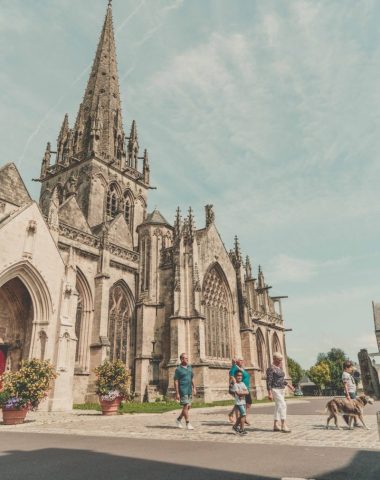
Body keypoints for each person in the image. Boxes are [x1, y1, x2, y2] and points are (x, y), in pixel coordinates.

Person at [266, 352, 295, 433]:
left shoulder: (279, 368)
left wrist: (289, 386)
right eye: (279, 360)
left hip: (281, 389)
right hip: (275, 389)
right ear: (274, 359)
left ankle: (275, 425)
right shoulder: (271, 369)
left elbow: (281, 380)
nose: (281, 361)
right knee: (283, 405)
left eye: (281, 360)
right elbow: (269, 381)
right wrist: (269, 393)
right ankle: (283, 425)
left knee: (278, 407)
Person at [174, 352, 196, 430]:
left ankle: (178, 419)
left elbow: (192, 377)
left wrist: (194, 387)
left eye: (187, 358)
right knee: (185, 405)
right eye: (185, 358)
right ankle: (188, 423)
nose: (187, 359)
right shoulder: (178, 369)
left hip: (189, 389)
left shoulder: (190, 367)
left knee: (188, 407)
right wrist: (177, 393)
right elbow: (176, 381)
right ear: (181, 359)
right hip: (182, 390)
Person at [229, 357, 252, 425]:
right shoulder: (235, 368)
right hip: (240, 388)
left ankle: (243, 417)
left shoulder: (242, 368)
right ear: (237, 361)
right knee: (240, 403)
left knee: (248, 403)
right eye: (240, 360)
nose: (242, 361)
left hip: (246, 388)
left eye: (242, 360)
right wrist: (236, 386)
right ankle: (239, 419)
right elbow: (232, 376)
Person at [342, 360, 359, 427]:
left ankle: (355, 422)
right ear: (346, 368)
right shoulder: (345, 374)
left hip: (352, 392)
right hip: (350, 392)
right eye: (350, 368)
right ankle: (346, 416)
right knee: (353, 408)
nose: (351, 369)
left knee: (353, 407)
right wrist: (348, 395)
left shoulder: (348, 374)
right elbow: (345, 385)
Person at [232, 370, 248, 435]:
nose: (239, 377)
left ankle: (235, 426)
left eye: (241, 375)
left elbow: (247, 392)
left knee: (242, 415)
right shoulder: (235, 385)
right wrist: (243, 393)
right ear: (235, 376)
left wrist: (242, 393)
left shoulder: (243, 384)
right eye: (238, 375)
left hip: (243, 401)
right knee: (243, 414)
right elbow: (238, 393)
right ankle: (241, 429)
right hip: (238, 402)